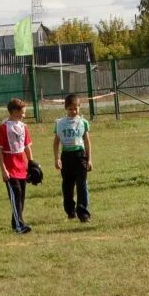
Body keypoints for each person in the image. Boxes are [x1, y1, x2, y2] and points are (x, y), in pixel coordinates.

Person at [0, 98, 34, 234]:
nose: (24, 115)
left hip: (22, 166)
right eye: (22, 112)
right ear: (14, 111)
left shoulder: (24, 127)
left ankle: (17, 222)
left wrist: (31, 164)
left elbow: (27, 147)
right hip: (10, 167)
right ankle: (19, 226)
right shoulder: (3, 127)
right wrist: (3, 170)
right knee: (16, 194)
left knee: (21, 196)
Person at [53, 94, 93, 222]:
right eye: (70, 109)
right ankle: (70, 211)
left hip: (80, 155)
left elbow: (87, 142)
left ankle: (83, 214)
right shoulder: (60, 123)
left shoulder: (83, 122)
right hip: (66, 156)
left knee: (81, 185)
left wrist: (89, 159)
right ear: (66, 108)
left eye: (76, 108)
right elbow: (56, 142)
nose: (73, 111)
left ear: (79, 107)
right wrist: (56, 158)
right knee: (68, 185)